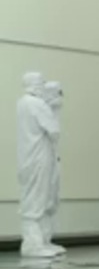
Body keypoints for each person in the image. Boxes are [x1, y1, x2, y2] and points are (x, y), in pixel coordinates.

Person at [17, 72, 62, 258]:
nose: (44, 86)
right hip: (39, 158)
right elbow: (54, 131)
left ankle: (42, 242)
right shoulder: (36, 104)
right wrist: (54, 107)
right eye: (42, 83)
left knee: (41, 198)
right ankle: (33, 245)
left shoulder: (23, 102)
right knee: (37, 200)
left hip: (30, 158)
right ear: (35, 84)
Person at [41, 81, 65, 255]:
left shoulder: (53, 112)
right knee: (45, 200)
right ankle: (41, 241)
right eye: (57, 93)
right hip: (44, 162)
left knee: (52, 199)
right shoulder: (41, 110)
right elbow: (53, 132)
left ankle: (47, 239)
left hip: (53, 160)